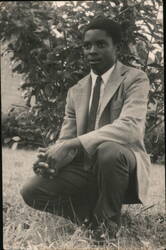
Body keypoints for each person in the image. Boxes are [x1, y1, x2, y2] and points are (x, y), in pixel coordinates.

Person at [20, 17, 151, 242]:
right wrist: (52, 159)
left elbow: (130, 128)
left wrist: (74, 144)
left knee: (109, 150)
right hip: (85, 168)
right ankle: (91, 219)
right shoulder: (76, 90)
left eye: (100, 44)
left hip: (120, 165)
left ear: (116, 47)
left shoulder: (135, 79)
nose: (92, 51)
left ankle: (109, 226)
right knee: (31, 190)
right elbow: (67, 138)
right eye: (87, 45)